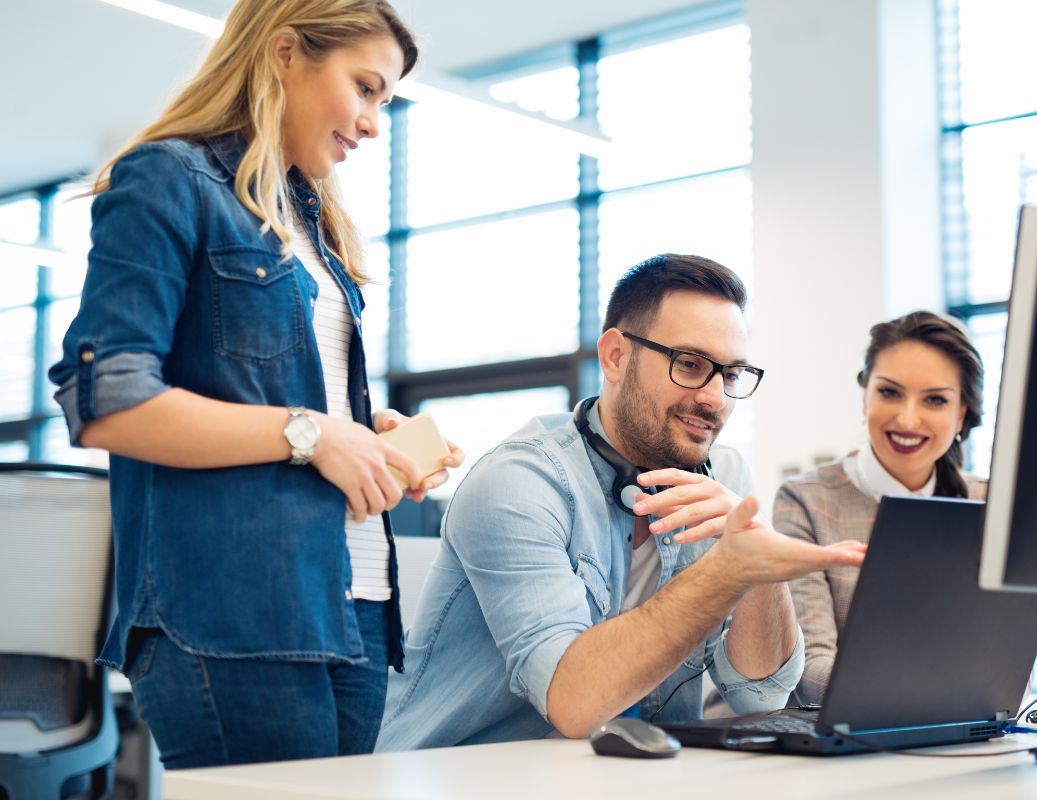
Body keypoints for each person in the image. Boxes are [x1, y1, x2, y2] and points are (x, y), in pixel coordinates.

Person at [47, 0, 463, 768]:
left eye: (387, 102)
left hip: (356, 605)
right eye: (365, 87)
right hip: (235, 609)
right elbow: (108, 400)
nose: (375, 122)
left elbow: (287, 400)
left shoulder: (316, 224)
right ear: (283, 53)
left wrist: (366, 437)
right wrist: (310, 432)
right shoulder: (167, 178)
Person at [375, 254, 867, 751]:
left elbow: (762, 697)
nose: (716, 398)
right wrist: (726, 572)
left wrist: (761, 568)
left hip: (624, 774)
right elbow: (573, 702)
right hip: (454, 775)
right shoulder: (519, 482)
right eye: (690, 365)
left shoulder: (726, 475)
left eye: (732, 375)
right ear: (614, 356)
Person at [774, 310, 985, 704]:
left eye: (935, 400)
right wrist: (930, 691)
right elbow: (807, 669)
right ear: (865, 394)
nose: (907, 419)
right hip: (849, 741)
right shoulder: (806, 500)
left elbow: (1006, 664)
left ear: (962, 414)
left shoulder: (988, 505)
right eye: (890, 392)